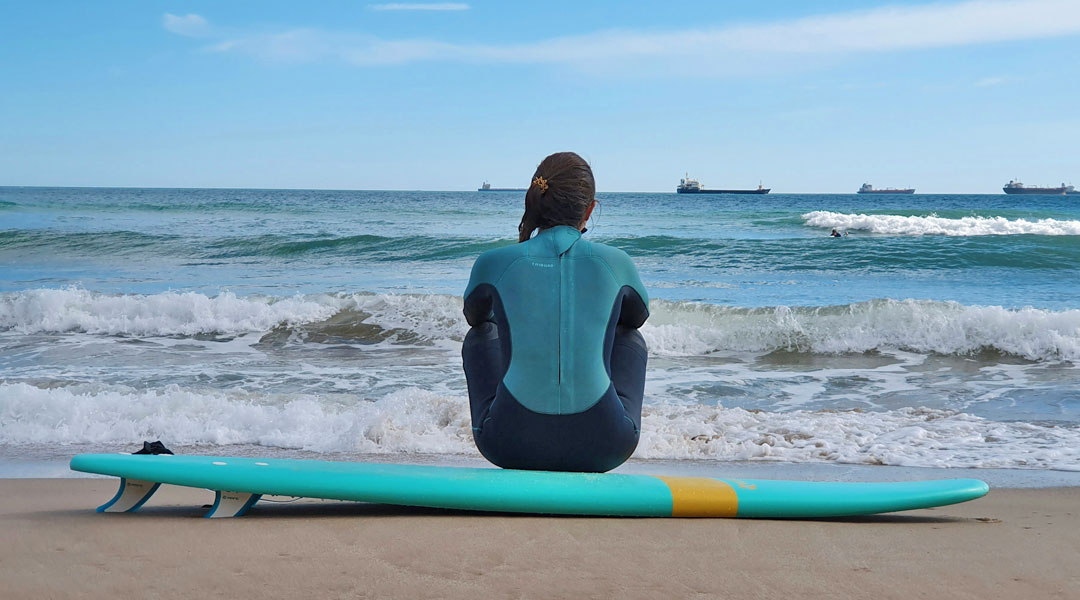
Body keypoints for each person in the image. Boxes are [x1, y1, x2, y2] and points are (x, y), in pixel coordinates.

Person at [461, 152, 649, 473]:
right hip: (607, 444)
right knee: (629, 335)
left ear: (534, 200)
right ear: (590, 209)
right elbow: (636, 318)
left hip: (508, 443)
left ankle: (512, 410)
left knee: (481, 333)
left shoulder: (491, 262)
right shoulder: (617, 262)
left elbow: (474, 316)